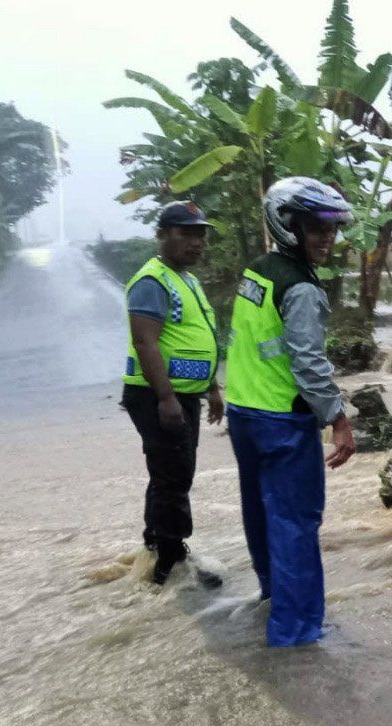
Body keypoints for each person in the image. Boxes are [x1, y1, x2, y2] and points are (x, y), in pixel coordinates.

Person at [224, 177, 356, 647]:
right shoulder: (300, 287)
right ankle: (297, 636)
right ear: (287, 225)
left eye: (332, 229)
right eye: (316, 227)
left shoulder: (258, 270)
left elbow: (249, 343)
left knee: (262, 515)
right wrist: (338, 418)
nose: (327, 238)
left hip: (244, 413)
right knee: (296, 526)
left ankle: (273, 601)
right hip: (282, 420)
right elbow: (309, 363)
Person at [121, 201, 225, 586]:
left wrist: (212, 388)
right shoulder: (152, 281)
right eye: (186, 233)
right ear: (162, 235)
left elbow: (195, 340)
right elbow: (146, 342)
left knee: (171, 473)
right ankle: (171, 563)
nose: (196, 242)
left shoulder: (186, 279)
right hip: (156, 396)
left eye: (201, 234)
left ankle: (156, 549)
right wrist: (165, 398)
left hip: (183, 395)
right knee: (174, 475)